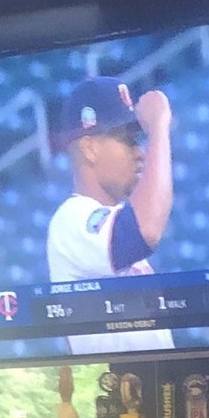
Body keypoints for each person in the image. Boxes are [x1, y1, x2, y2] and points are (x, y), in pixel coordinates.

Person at [43, 74, 175, 355]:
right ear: (89, 148)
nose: (139, 153)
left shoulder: (109, 217)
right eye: (128, 140)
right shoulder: (71, 218)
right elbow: (144, 231)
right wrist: (159, 129)